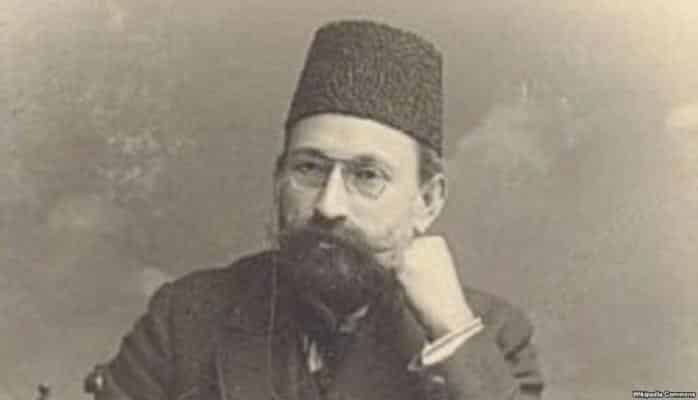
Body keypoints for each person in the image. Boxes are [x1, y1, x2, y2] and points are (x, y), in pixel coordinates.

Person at [85, 20, 544, 400]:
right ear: (278, 177)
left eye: (367, 176)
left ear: (427, 200)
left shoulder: (490, 336)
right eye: (309, 168)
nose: (328, 205)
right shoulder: (185, 318)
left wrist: (452, 330)